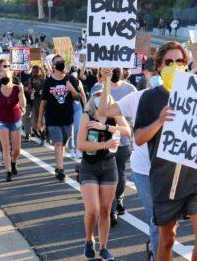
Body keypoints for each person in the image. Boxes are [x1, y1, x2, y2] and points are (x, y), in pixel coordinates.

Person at [134, 41, 197, 261]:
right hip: (165, 180)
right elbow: (139, 138)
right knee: (167, 239)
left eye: (179, 61)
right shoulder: (149, 98)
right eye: (168, 62)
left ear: (186, 64)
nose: (174, 65)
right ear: (159, 66)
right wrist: (160, 121)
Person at [98, 70, 164, 261]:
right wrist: (107, 81)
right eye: (165, 67)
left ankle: (155, 246)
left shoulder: (183, 96)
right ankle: (157, 253)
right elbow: (104, 112)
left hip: (173, 169)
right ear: (149, 73)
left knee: (169, 222)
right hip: (145, 168)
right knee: (157, 219)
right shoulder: (138, 97)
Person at [77, 83, 130, 261]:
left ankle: (104, 247)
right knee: (93, 210)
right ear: (92, 97)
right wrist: (104, 144)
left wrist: (106, 128)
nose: (101, 97)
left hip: (109, 166)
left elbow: (127, 131)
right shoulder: (87, 115)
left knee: (106, 210)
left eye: (104, 94)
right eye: (98, 94)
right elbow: (81, 145)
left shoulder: (114, 115)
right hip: (89, 167)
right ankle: (88, 239)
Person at [38, 55, 82, 181]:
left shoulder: (71, 79)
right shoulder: (48, 82)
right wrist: (39, 120)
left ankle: (58, 165)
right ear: (53, 66)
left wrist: (72, 89)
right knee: (57, 143)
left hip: (67, 118)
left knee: (63, 144)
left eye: (62, 62)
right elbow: (43, 102)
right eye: (58, 63)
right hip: (52, 118)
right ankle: (61, 170)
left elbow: (78, 98)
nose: (61, 64)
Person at [108, 67, 137, 226]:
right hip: (104, 140)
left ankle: (118, 198)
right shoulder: (99, 89)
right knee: (110, 174)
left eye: (117, 69)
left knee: (120, 172)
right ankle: (112, 208)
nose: (115, 72)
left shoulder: (130, 89)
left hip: (124, 139)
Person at [0, 65, 26, 181]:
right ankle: (8, 171)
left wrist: (22, 91)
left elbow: (23, 104)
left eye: (6, 75)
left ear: (11, 76)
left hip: (15, 120)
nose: (4, 77)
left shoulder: (17, 88)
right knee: (5, 147)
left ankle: (13, 161)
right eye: (2, 75)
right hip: (1, 121)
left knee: (16, 150)